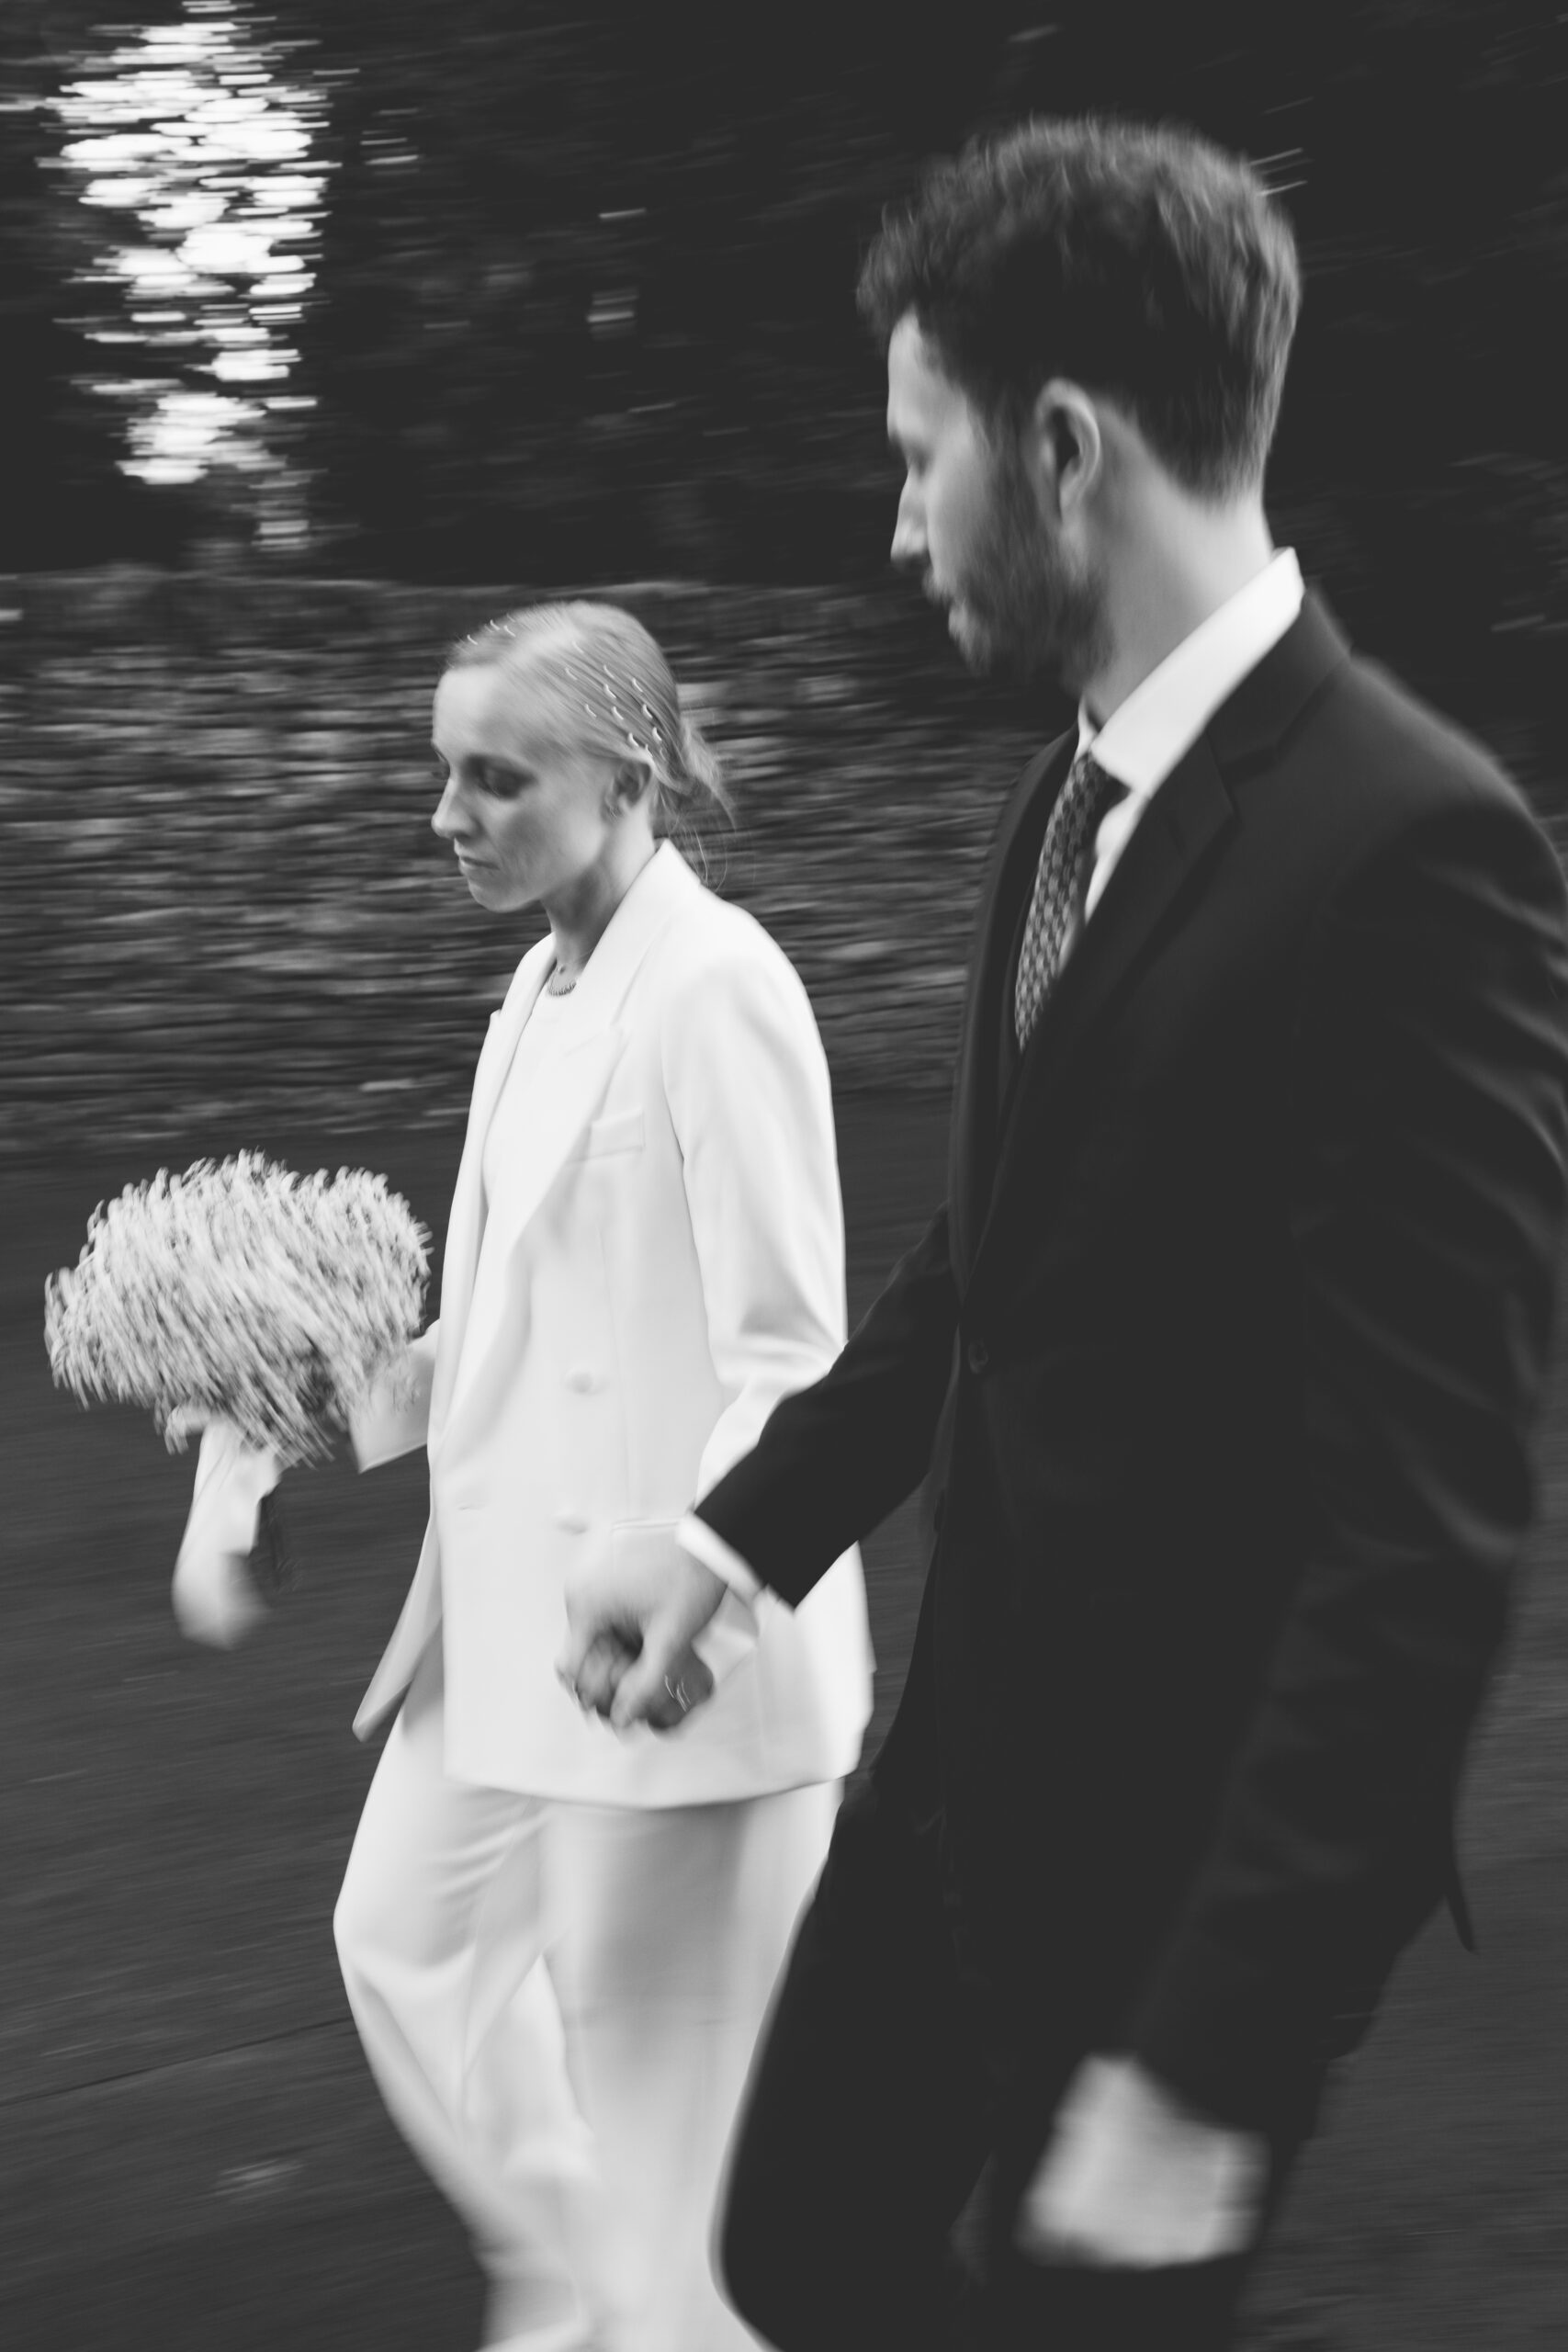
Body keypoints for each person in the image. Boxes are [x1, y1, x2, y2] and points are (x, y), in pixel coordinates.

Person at [558, 118, 1568, 2349]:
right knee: (790, 2248)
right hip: (958, 1787)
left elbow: (1426, 1539)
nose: (896, 511)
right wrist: (731, 1545)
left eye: (919, 456)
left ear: (1064, 446)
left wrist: (1207, 2061)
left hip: (1188, 1887)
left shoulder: (1418, 852)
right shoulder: (1058, 793)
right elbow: (981, 1279)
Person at [334, 599, 873, 2352]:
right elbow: (493, 1335)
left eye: (497, 778)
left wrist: (695, 1578)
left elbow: (791, 1358)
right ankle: (580, 2292)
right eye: (446, 775)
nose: (450, 816)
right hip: (503, 1632)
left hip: (671, 1655)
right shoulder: (530, 993)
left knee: (666, 2161)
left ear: (627, 774)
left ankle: (637, 2316)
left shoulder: (719, 988)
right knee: (397, 1943)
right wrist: (308, 1372)